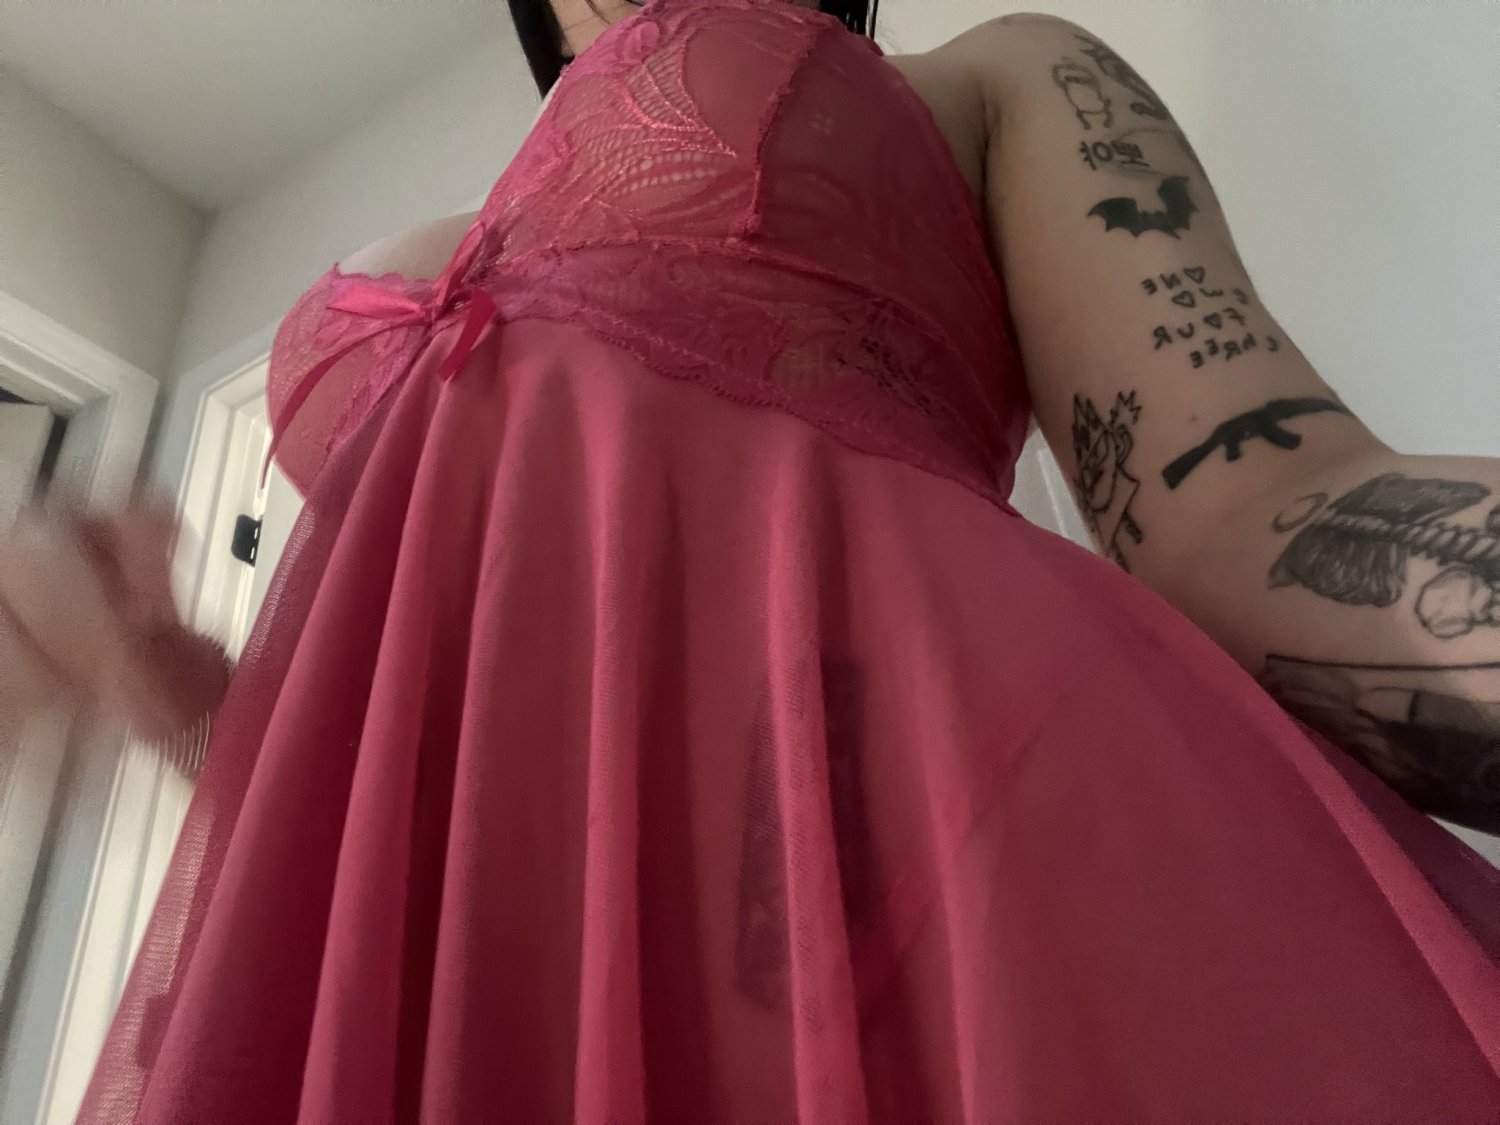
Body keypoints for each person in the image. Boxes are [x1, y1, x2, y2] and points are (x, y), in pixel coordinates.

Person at [1, 0, 1494, 1118]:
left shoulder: (984, 79)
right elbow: (408, 766)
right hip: (465, 990)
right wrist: (171, 693)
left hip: (908, 870)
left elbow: (1260, 503)